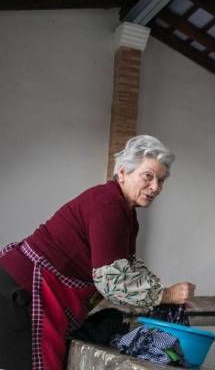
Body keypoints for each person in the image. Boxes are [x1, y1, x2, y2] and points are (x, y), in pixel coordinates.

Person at [0, 135, 196, 369]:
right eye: (148, 176)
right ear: (123, 172)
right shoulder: (109, 207)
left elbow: (128, 266)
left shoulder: (124, 212)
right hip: (22, 295)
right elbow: (113, 283)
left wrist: (166, 296)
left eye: (161, 180)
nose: (155, 187)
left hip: (27, 291)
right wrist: (167, 295)